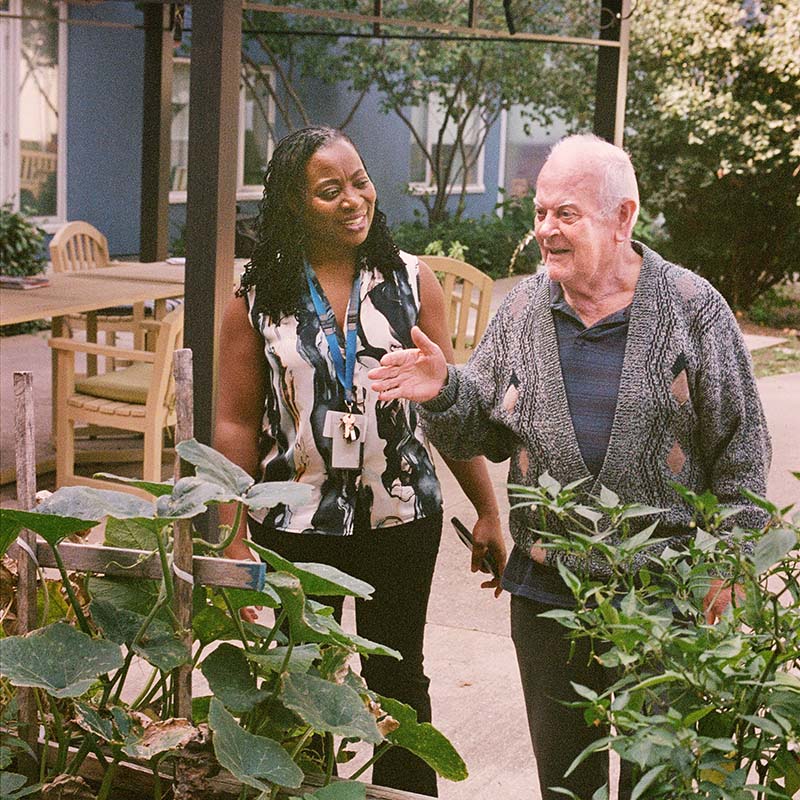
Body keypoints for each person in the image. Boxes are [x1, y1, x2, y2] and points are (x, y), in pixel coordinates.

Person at [369, 133, 772, 799]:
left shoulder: (692, 309)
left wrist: (729, 566)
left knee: (662, 783)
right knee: (565, 786)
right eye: (540, 213)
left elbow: (743, 453)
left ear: (623, 218)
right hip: (549, 597)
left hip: (663, 599)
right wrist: (443, 389)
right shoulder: (525, 307)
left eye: (566, 215)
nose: (546, 232)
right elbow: (485, 429)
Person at [214, 125, 506, 797]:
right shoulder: (255, 302)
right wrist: (231, 537)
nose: (353, 200)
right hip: (292, 528)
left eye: (360, 181)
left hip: (401, 518)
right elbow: (232, 424)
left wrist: (488, 510)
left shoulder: (411, 283)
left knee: (400, 683)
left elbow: (445, 406)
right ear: (293, 204)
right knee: (300, 684)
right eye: (328, 190)